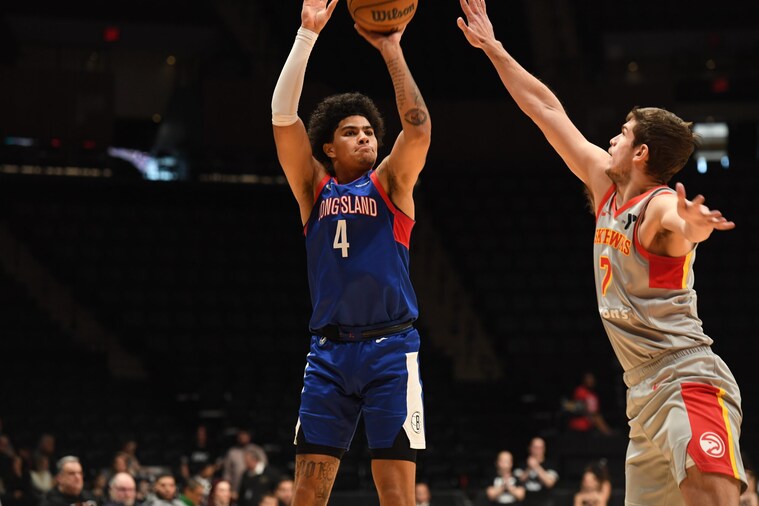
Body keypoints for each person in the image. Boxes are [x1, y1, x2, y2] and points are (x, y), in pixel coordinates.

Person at [456, 1, 747, 504]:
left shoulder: (658, 206)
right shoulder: (605, 184)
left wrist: (695, 226)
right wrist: (494, 48)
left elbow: (679, 228)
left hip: (686, 380)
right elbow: (546, 110)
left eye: (623, 134)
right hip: (643, 395)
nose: (611, 138)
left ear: (641, 153)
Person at [270, 0, 432, 505]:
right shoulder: (313, 189)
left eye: (369, 132)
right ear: (328, 148)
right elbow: (282, 117)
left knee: (397, 496)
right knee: (306, 494)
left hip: (391, 350)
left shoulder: (390, 184)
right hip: (329, 354)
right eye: (350, 132)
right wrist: (306, 35)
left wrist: (392, 51)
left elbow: (418, 128)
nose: (364, 137)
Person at [514, 437, 558, 506]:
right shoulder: (522, 464)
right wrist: (529, 468)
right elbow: (518, 481)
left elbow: (550, 483)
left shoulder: (550, 465)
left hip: (544, 501)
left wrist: (536, 467)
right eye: (535, 447)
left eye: (540, 448)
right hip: (525, 501)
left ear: (544, 449)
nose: (537, 450)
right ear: (529, 448)